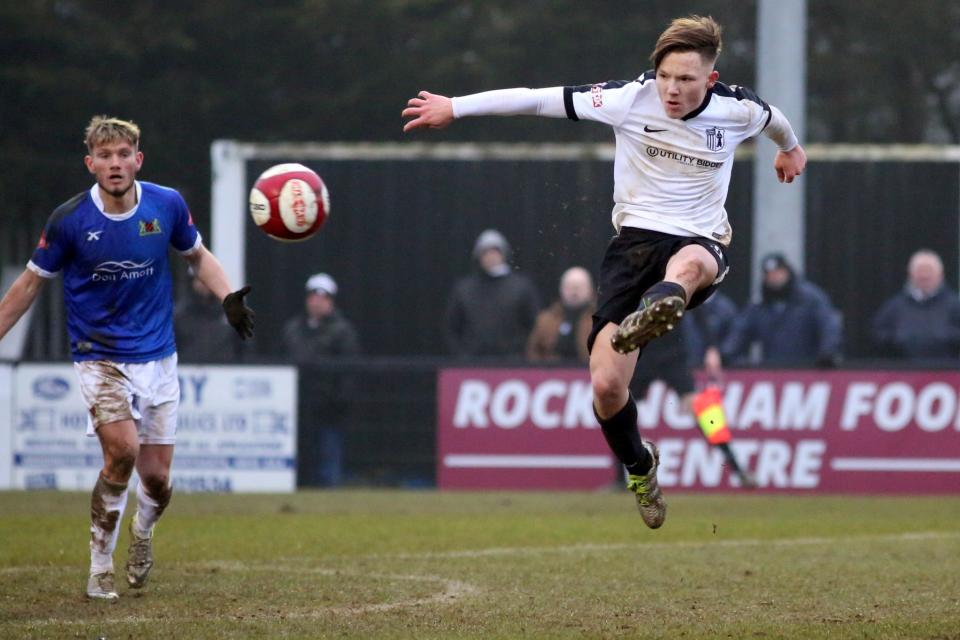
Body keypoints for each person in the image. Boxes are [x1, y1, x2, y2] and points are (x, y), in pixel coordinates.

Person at [403, 15, 806, 528]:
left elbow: (777, 121)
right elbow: (536, 97)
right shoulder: (626, 99)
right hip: (633, 251)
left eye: (685, 79)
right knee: (607, 388)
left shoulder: (737, 108)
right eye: (665, 77)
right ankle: (640, 466)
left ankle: (725, 449)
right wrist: (455, 108)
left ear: (710, 78)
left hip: (696, 250)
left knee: (699, 368)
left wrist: (790, 150)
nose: (672, 89)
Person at [0, 116, 254, 599]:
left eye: (123, 155)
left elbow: (197, 256)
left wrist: (227, 297)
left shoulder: (167, 204)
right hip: (98, 355)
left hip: (157, 356)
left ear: (137, 159)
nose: (114, 164)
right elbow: (30, 283)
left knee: (156, 480)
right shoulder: (69, 220)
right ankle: (99, 567)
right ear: (90, 163)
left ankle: (142, 533)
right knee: (122, 451)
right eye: (105, 156)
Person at [282, 272, 360, 487]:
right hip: (297, 406)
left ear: (331, 301)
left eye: (323, 297)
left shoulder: (343, 331)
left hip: (329, 406)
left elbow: (349, 369)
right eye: (313, 296)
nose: (317, 302)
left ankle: (329, 497)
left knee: (329, 456)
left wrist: (341, 399)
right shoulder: (293, 329)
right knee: (302, 455)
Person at [721, 253, 842, 367]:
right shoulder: (759, 305)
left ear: (787, 272)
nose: (774, 277)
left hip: (806, 368)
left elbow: (829, 326)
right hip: (772, 369)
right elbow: (741, 331)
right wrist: (727, 355)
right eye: (769, 274)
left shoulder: (810, 299)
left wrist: (827, 353)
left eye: (778, 272)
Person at [444, 229, 541, 360]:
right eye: (485, 252)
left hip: (512, 365)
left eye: (495, 251)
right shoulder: (464, 289)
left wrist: (522, 355)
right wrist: (462, 356)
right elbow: (451, 328)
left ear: (504, 254)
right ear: (478, 256)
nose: (490, 256)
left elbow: (535, 325)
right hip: (472, 365)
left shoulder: (521, 287)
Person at [871, 249, 960, 362]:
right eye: (920, 271)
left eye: (929, 271)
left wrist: (943, 336)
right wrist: (899, 339)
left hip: (948, 373)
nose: (924, 275)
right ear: (910, 274)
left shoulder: (955, 305)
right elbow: (877, 334)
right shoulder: (894, 306)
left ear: (940, 275)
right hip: (903, 373)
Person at [174, 269, 246, 363]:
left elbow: (245, 350)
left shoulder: (232, 313)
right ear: (192, 282)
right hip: (189, 374)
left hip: (226, 373)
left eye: (209, 278)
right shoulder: (179, 316)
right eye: (200, 279)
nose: (204, 283)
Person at [527, 266, 596, 363]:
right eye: (570, 287)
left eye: (579, 287)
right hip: (552, 375)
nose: (574, 292)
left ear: (590, 290)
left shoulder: (602, 320)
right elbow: (533, 352)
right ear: (561, 289)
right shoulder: (546, 319)